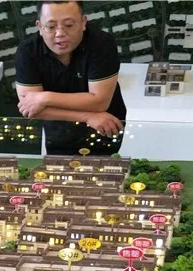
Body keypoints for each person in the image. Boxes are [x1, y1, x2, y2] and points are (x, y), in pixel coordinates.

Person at [15, 0, 126, 156]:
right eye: (51, 27)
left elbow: (100, 101)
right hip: (60, 129)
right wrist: (87, 116)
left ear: (83, 23)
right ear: (39, 27)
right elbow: (29, 108)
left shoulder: (102, 43)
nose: (60, 33)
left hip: (105, 125)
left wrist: (44, 98)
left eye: (68, 25)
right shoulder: (27, 51)